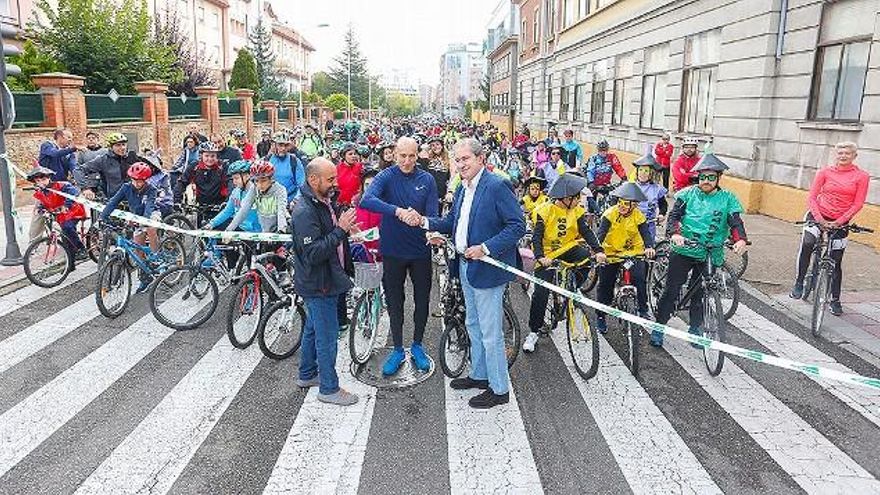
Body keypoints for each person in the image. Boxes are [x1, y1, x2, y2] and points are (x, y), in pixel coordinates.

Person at [409, 138, 525, 409]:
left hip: (487, 268)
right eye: (457, 160)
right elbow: (453, 222)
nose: (461, 164)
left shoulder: (496, 186)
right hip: (464, 265)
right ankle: (480, 375)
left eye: (465, 159)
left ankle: (499, 389)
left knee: (490, 332)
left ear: (480, 158)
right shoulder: (462, 187)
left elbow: (517, 226)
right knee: (472, 324)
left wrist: (486, 248)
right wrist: (426, 223)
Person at [360, 137, 439, 375]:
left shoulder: (427, 179)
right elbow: (367, 200)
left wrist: (430, 228)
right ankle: (396, 348)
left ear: (418, 156)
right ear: (394, 154)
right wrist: (397, 211)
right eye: (402, 155)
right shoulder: (386, 176)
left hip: (419, 251)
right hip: (392, 251)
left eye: (412, 156)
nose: (407, 161)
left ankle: (417, 345)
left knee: (422, 300)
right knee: (395, 302)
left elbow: (433, 213)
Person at [655, 154, 748, 347]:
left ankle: (695, 329)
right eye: (703, 177)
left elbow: (735, 222)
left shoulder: (728, 199)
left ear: (718, 178)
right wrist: (674, 234)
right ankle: (659, 326)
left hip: (710, 252)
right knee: (672, 289)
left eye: (711, 177)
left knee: (701, 292)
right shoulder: (687, 194)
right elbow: (674, 217)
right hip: (684, 248)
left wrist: (740, 240)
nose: (706, 181)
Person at [290, 157, 360, 406]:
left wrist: (346, 230)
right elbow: (314, 253)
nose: (335, 183)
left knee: (312, 328)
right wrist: (340, 230)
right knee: (327, 336)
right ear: (313, 179)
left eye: (335, 178)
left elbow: (329, 234)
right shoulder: (305, 211)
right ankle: (329, 388)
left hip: (326, 279)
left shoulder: (321, 200)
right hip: (319, 283)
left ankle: (307, 374)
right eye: (330, 179)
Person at [523, 173, 602, 353]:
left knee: (586, 260)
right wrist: (541, 257)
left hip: (568, 248)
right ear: (566, 198)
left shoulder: (576, 210)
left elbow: (586, 232)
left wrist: (598, 250)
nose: (580, 199)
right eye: (577, 196)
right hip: (547, 254)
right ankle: (534, 331)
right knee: (541, 293)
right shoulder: (544, 211)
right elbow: (537, 237)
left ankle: (571, 289)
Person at [790, 141, 870, 316]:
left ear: (854, 156)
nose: (843, 156)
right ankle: (799, 282)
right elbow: (812, 198)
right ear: (836, 154)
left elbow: (858, 204)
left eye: (847, 153)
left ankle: (835, 299)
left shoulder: (862, 176)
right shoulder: (825, 172)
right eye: (840, 152)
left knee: (836, 260)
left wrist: (839, 221)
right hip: (818, 214)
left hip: (841, 220)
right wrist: (819, 219)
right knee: (808, 243)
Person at [594, 182, 656, 340]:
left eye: (626, 203)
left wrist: (649, 247)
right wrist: (598, 251)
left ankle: (642, 309)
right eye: (620, 202)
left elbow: (645, 234)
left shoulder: (638, 216)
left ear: (634, 205)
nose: (622, 206)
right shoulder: (609, 214)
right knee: (605, 283)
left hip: (633, 252)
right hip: (611, 252)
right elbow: (600, 235)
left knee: (639, 279)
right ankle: (601, 315)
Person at [101, 162, 161, 293]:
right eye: (135, 180)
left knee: (151, 228)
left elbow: (150, 206)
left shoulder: (152, 189)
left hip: (151, 214)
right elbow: (113, 202)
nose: (137, 183)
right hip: (136, 216)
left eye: (141, 181)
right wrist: (103, 216)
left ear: (146, 180)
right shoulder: (126, 188)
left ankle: (156, 256)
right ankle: (145, 278)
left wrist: (144, 220)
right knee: (137, 247)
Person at [27, 166, 88, 259]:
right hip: (60, 215)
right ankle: (70, 255)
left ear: (49, 178)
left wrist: (66, 205)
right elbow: (44, 203)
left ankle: (81, 248)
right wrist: (40, 209)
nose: (41, 183)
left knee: (67, 227)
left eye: (43, 179)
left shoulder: (61, 185)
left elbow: (74, 193)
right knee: (63, 232)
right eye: (38, 181)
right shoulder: (41, 192)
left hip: (74, 211)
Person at [77, 132, 150, 200]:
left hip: (134, 199)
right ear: (111, 147)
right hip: (114, 201)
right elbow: (78, 170)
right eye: (118, 145)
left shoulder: (132, 157)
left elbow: (149, 171)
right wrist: (85, 188)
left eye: (123, 144)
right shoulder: (103, 160)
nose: (122, 148)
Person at [235, 160, 290, 234]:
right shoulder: (254, 189)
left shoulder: (279, 189)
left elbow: (281, 211)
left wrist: (281, 230)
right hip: (264, 230)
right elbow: (243, 210)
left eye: (263, 181)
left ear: (271, 179)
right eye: (256, 181)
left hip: (280, 226)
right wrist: (229, 229)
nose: (259, 185)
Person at [205, 159, 260, 233]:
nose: (234, 182)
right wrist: (211, 224)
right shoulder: (236, 192)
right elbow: (227, 211)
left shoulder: (257, 192)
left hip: (253, 231)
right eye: (233, 179)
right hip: (238, 226)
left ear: (247, 176)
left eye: (236, 178)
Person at [173, 142, 228, 212]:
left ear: (216, 156)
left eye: (213, 156)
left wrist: (227, 201)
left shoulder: (223, 167)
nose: (210, 159)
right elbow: (182, 182)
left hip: (219, 205)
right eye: (207, 156)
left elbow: (230, 183)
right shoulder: (194, 167)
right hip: (200, 206)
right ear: (201, 156)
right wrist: (177, 201)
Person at [632, 154, 668, 242]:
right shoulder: (631, 186)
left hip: (649, 224)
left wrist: (661, 214)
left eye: (646, 171)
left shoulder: (657, 189)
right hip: (632, 224)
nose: (642, 173)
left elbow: (663, 204)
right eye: (640, 170)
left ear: (651, 173)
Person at [267, 131, 306, 206]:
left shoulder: (294, 161)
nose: (283, 148)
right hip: (271, 203)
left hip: (290, 202)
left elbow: (301, 184)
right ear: (273, 145)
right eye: (280, 145)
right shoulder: (267, 160)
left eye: (286, 145)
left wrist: (295, 200)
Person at [336, 142, 364, 207]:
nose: (353, 156)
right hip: (341, 204)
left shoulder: (359, 167)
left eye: (354, 154)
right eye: (350, 154)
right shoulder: (337, 169)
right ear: (344, 156)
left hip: (356, 203)